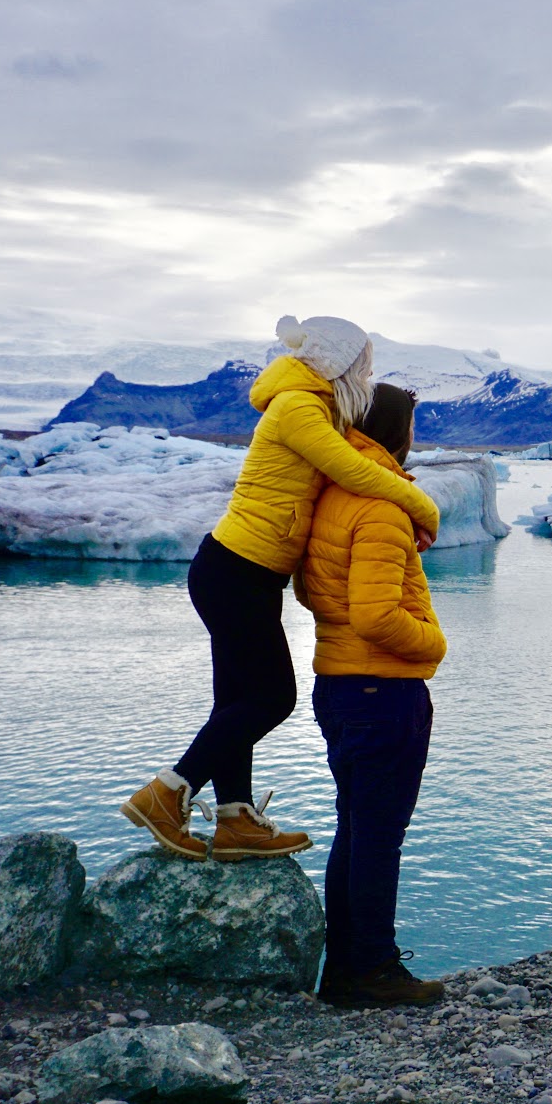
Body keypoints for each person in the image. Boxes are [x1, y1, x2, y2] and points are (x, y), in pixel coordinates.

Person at [119, 316, 441, 863]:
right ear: (341, 366)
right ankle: (167, 792)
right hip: (236, 570)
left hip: (245, 572)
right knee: (272, 698)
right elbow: (357, 473)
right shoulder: (298, 407)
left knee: (236, 702)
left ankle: (235, 819)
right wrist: (425, 507)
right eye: (364, 365)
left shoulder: (309, 406)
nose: (368, 377)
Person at [294, 383, 447, 1007]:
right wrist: (433, 643)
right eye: (413, 425)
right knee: (379, 836)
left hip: (339, 685)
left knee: (354, 832)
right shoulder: (380, 507)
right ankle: (374, 969)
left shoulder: (332, 494)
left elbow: (312, 593)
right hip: (384, 691)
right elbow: (378, 615)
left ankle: (346, 970)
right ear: (395, 434)